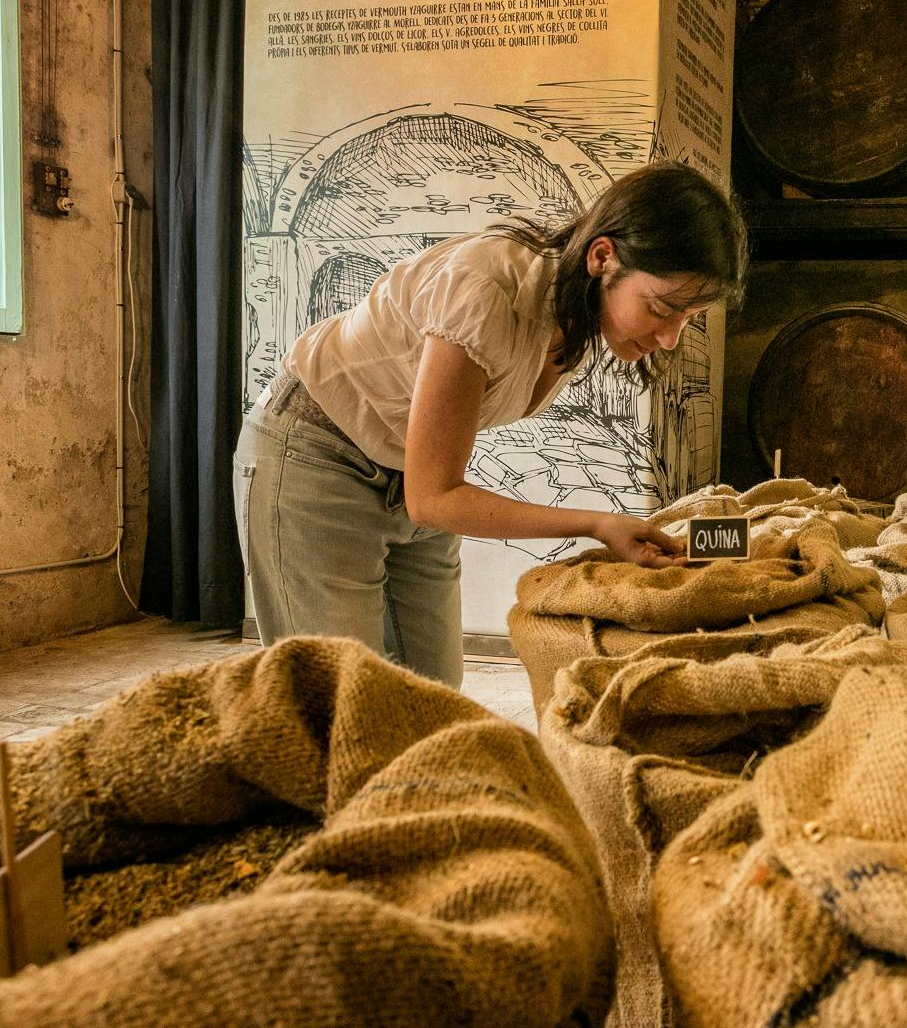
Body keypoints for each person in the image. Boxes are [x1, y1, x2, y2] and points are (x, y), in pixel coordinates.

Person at [233, 161, 748, 688]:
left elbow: (425, 494)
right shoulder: (487, 290)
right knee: (344, 703)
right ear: (603, 257)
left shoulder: (573, 310)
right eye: (664, 308)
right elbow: (434, 498)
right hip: (315, 461)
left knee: (435, 700)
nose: (670, 339)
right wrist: (597, 523)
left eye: (688, 319)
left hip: (403, 478)